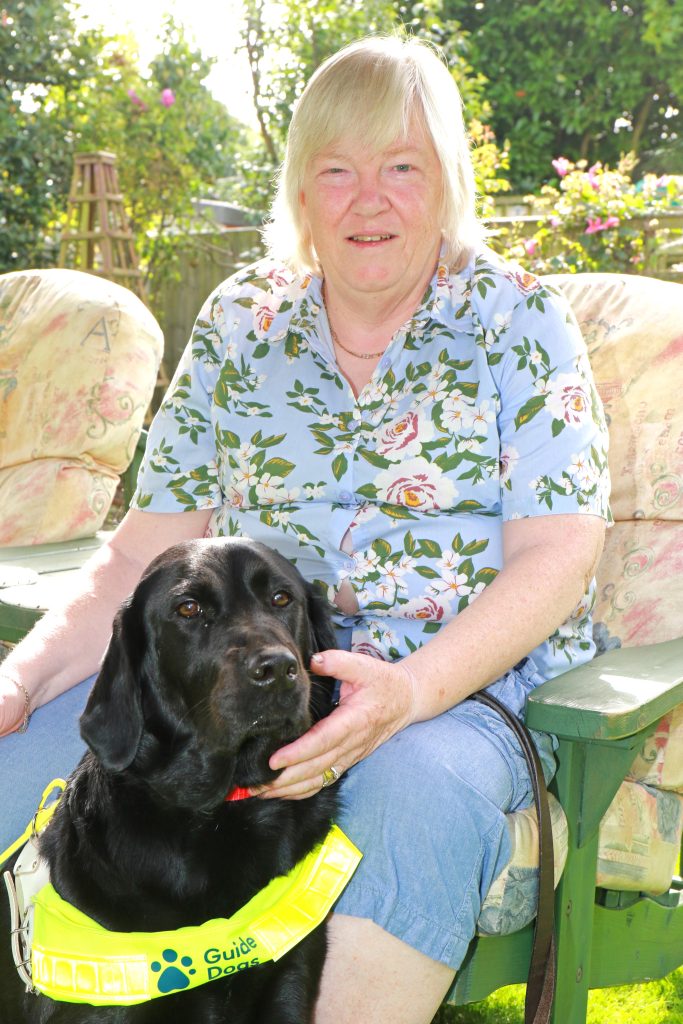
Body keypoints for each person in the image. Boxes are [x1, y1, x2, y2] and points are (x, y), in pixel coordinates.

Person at [0, 35, 610, 1023]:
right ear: (299, 190)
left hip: (451, 699)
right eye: (337, 170)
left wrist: (407, 691)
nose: (367, 199)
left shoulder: (516, 321)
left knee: (409, 799)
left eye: (400, 167)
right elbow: (140, 546)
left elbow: (557, 554)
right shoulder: (240, 321)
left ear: (446, 181)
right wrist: (21, 677)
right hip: (227, 701)